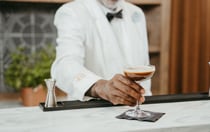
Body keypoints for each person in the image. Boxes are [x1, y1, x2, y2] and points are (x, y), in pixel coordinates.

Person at [51, 0, 151, 106]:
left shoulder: (136, 12)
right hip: (91, 113)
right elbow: (64, 66)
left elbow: (144, 66)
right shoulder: (71, 11)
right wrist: (100, 87)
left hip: (136, 113)